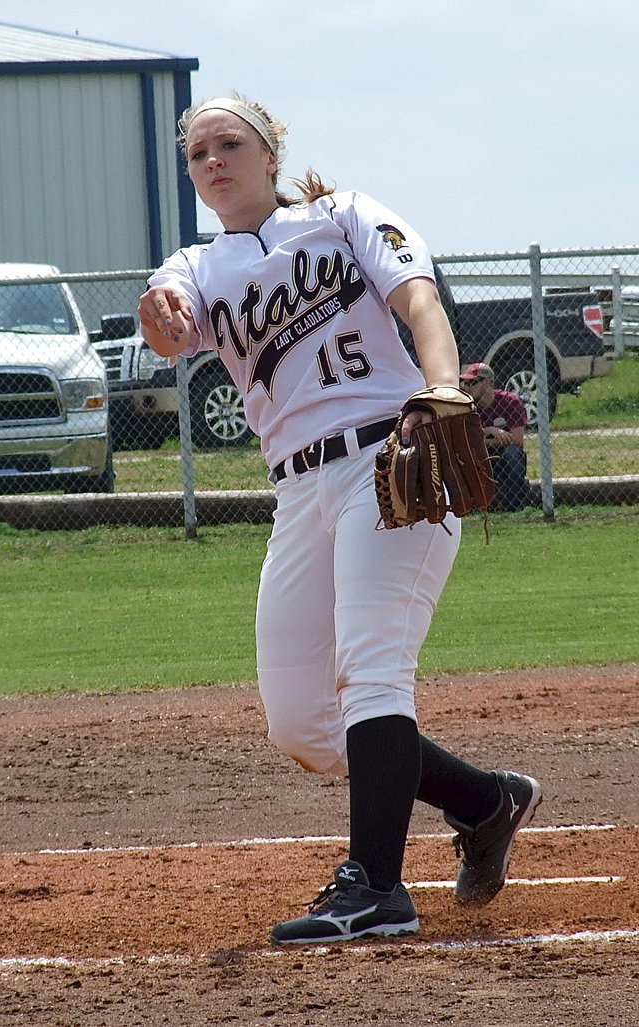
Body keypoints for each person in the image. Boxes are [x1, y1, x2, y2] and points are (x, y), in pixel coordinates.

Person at [137, 94, 542, 945]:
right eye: (198, 151)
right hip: (299, 493)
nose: (214, 160)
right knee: (303, 722)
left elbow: (421, 301)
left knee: (372, 672)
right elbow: (175, 323)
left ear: (269, 151)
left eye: (230, 142)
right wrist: (163, 316)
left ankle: (376, 889)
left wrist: (438, 388)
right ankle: (483, 801)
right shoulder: (197, 267)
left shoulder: (343, 216)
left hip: (389, 463)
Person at [461, 362, 530, 511]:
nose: (467, 387)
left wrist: (481, 440)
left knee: (512, 454)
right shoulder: (467, 407)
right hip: (481, 456)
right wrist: (490, 431)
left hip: (503, 457)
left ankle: (515, 508)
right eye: (464, 383)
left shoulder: (510, 401)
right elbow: (465, 441)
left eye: (472, 382)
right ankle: (473, 506)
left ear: (487, 382)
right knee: (467, 455)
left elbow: (517, 440)